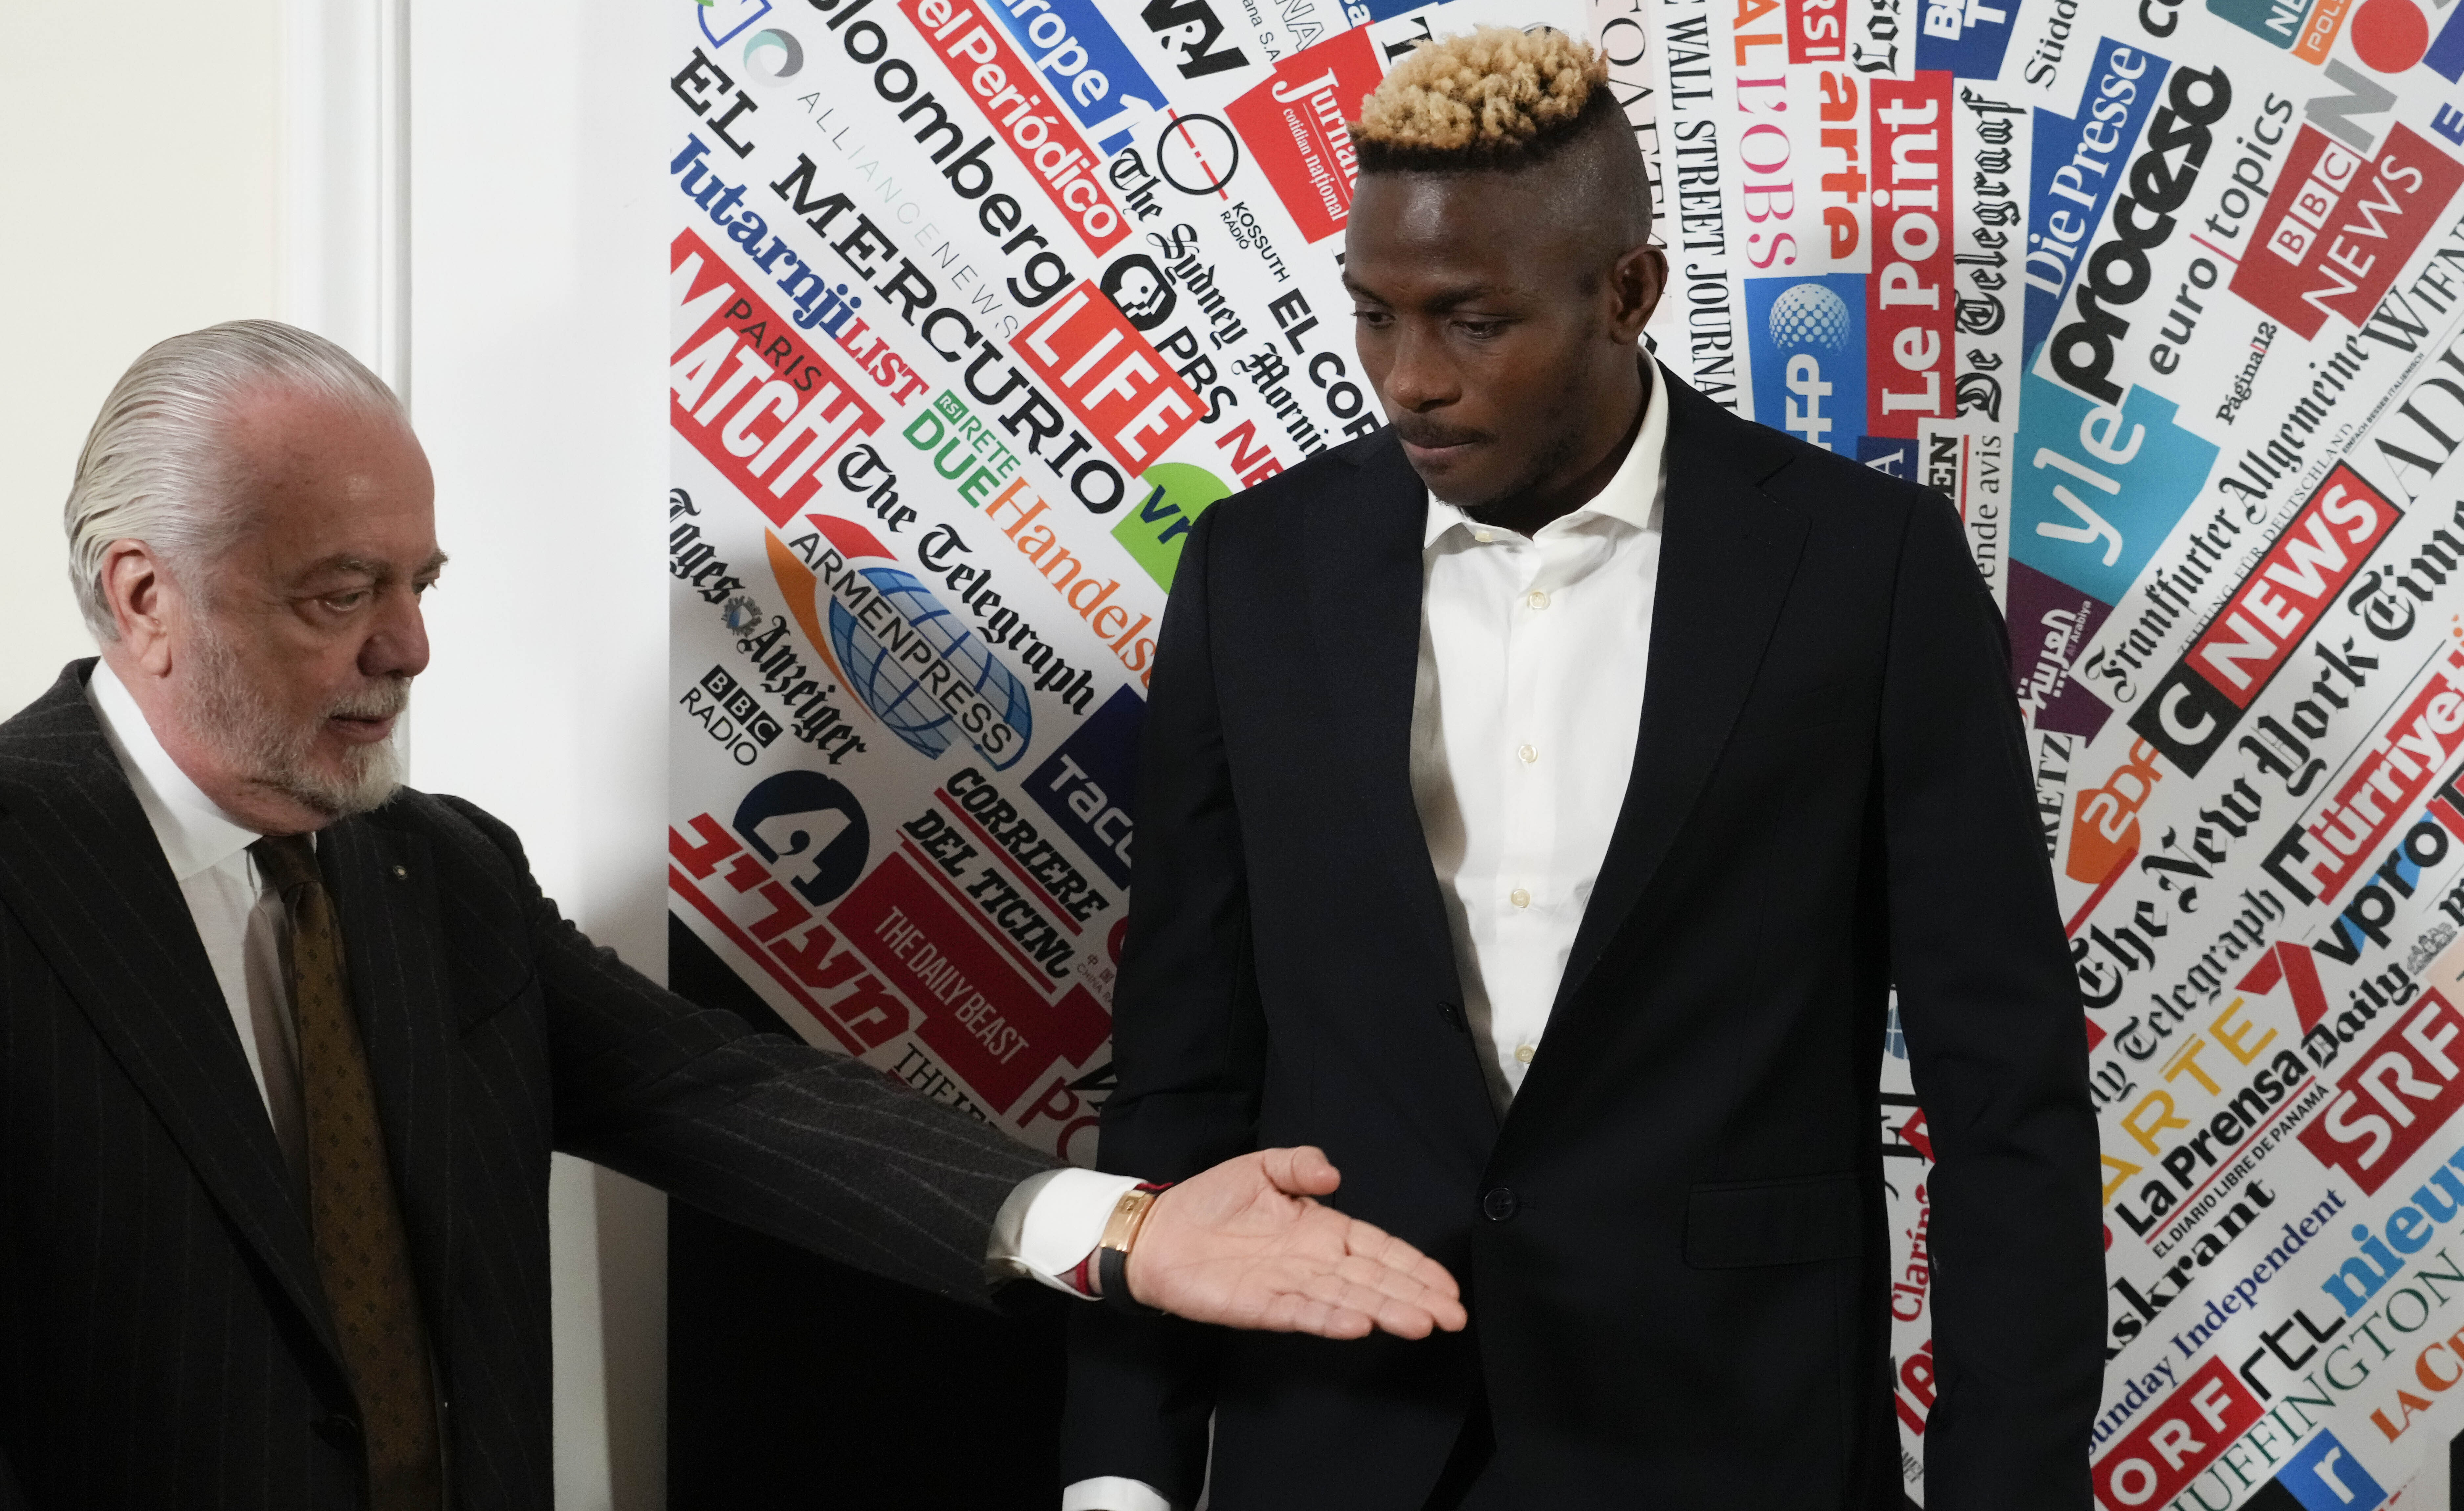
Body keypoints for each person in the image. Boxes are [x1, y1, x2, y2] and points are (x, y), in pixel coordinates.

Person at [0, 320, 1465, 1511]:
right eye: (341, 594)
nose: (410, 646)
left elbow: (723, 1096)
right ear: (146, 599)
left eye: (421, 584)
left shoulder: (435, 875)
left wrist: (1123, 1233)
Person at [1061, 27, 2103, 1510]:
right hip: (1339, 1433)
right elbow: (1177, 1068)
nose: (1406, 380)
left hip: (1730, 1440)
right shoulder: (1253, 571)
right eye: (1373, 317)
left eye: (1471, 322)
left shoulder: (1863, 573)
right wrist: (1121, 1476)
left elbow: (2005, 1101)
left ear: (1626, 293)